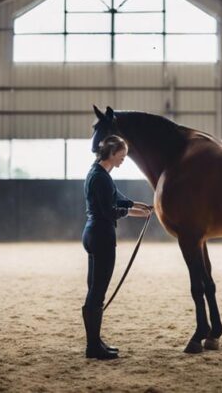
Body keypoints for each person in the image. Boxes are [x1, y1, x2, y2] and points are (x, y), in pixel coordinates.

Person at [82, 135, 152, 360]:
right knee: (97, 293)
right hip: (102, 234)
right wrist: (132, 212)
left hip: (93, 233)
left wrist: (136, 205)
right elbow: (110, 211)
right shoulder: (101, 178)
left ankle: (95, 342)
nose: (123, 159)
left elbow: (116, 198)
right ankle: (93, 347)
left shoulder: (98, 173)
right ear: (111, 154)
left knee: (94, 290)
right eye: (121, 155)